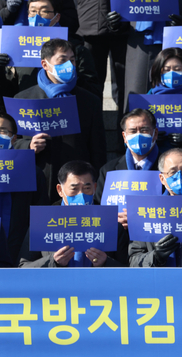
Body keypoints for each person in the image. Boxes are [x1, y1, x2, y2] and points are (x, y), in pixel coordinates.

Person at [13, 39, 107, 203]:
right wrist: (28, 146)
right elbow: (12, 143)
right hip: (38, 178)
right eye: (63, 60)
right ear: (45, 64)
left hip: (75, 184)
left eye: (72, 60)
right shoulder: (24, 99)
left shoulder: (89, 100)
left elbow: (98, 149)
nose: (69, 65)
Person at [19, 160, 129, 267]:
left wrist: (105, 263)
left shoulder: (111, 225)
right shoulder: (41, 224)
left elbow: (129, 270)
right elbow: (23, 267)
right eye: (74, 189)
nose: (81, 194)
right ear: (60, 190)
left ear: (95, 188)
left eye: (87, 188)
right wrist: (53, 261)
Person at [14, 0, 101, 99]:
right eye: (33, 11)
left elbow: (94, 92)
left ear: (57, 17)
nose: (37, 16)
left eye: (45, 11)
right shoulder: (17, 50)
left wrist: (73, 75)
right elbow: (9, 91)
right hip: (30, 109)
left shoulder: (76, 50)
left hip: (68, 109)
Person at [0, 113, 50, 266]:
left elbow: (41, 216)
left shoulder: (32, 173)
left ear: (14, 138)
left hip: (19, 252)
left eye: (3, 131)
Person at [94, 108, 160, 212]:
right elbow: (99, 207)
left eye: (144, 130)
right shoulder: (109, 170)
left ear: (155, 133)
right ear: (124, 136)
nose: (138, 135)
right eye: (133, 131)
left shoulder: (168, 168)